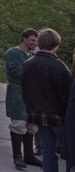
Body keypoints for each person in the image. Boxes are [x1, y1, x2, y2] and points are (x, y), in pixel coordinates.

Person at [22, 28, 73, 172]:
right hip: (59, 116)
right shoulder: (59, 67)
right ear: (56, 45)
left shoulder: (28, 63)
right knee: (71, 152)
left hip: (38, 113)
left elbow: (25, 90)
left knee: (47, 152)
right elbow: (67, 96)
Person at [5, 28, 42, 169]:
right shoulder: (13, 53)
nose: (35, 43)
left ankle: (29, 156)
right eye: (32, 40)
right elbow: (15, 70)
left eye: (37, 41)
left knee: (31, 125)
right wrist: (35, 73)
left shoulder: (34, 55)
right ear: (24, 38)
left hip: (31, 94)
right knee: (19, 124)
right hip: (17, 92)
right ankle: (17, 157)